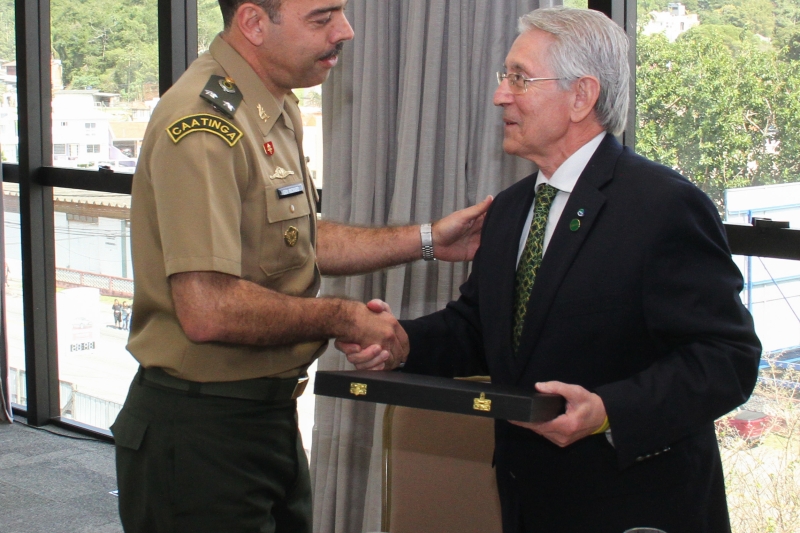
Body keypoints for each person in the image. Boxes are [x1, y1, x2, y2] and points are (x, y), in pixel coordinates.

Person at [340, 7, 762, 533]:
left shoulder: (663, 206)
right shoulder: (513, 208)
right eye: (504, 78)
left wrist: (609, 409)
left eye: (519, 78)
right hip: (528, 502)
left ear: (581, 96)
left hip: (635, 507)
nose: (500, 96)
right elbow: (480, 327)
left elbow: (728, 359)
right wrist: (401, 342)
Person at [110, 1, 492, 532]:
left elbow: (298, 239)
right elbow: (207, 308)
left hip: (265, 419)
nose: (346, 31)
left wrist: (427, 239)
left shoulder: (270, 103)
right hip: (202, 433)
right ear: (253, 23)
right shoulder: (203, 123)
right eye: (322, 18)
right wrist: (343, 318)